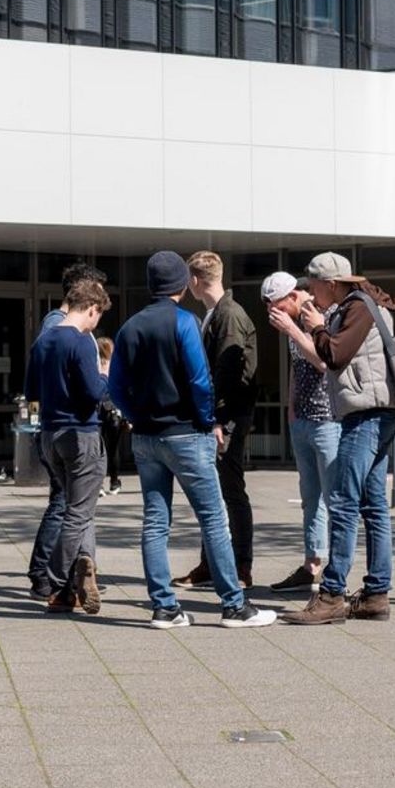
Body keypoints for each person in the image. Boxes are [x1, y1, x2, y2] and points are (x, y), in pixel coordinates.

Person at [107, 251, 277, 629]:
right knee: (214, 519)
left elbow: (115, 386)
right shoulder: (185, 322)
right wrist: (206, 420)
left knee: (155, 521)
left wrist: (135, 417)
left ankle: (164, 607)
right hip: (186, 432)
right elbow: (200, 381)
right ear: (183, 285)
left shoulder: (130, 327)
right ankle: (234, 605)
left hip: (147, 437)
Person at [270, 253, 395, 625]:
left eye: (312, 286)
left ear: (331, 283)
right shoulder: (360, 305)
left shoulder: (358, 307)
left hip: (366, 414)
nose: (310, 294)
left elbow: (334, 356)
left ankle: (331, 595)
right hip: (374, 412)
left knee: (342, 501)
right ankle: (376, 594)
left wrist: (314, 326)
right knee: (373, 506)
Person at [172, 251, 257, 589]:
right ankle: (212, 564)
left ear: (194, 280)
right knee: (216, 491)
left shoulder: (228, 316)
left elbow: (228, 373)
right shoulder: (216, 313)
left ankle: (239, 567)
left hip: (228, 417)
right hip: (222, 415)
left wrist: (217, 418)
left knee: (230, 491)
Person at [27, 278, 112, 614]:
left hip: (50, 434)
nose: (96, 323)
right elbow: (95, 393)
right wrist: (105, 373)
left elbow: (32, 392)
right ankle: (56, 582)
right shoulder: (78, 342)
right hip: (82, 434)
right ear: (91, 308)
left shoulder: (43, 341)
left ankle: (84, 566)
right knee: (77, 513)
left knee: (81, 506)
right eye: (97, 316)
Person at [263, 272, 336, 592]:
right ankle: (312, 564)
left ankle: (337, 568)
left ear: (293, 296)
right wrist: (291, 408)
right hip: (303, 420)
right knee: (311, 497)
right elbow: (298, 366)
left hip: (328, 420)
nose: (274, 313)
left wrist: (293, 329)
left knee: (335, 497)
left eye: (277, 305)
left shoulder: (320, 316)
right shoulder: (292, 323)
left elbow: (323, 362)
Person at [96, 337, 125, 497]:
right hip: (114, 412)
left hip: (98, 411)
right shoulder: (115, 366)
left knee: (99, 450)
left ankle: (99, 484)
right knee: (113, 449)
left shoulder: (95, 365)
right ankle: (114, 481)